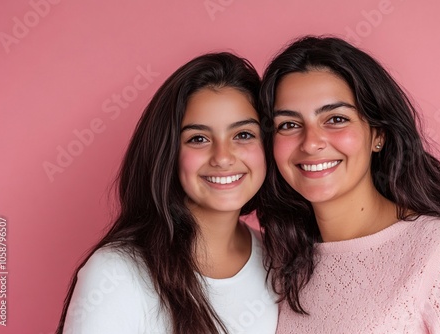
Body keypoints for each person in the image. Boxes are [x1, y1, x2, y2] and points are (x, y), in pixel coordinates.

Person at [258, 36, 440, 333]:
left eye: (336, 119)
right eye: (289, 125)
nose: (312, 142)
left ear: (378, 135)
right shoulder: (281, 263)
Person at [56, 52, 278, 334]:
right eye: (198, 138)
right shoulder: (116, 272)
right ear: (168, 153)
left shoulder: (278, 261)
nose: (223, 157)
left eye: (243, 135)